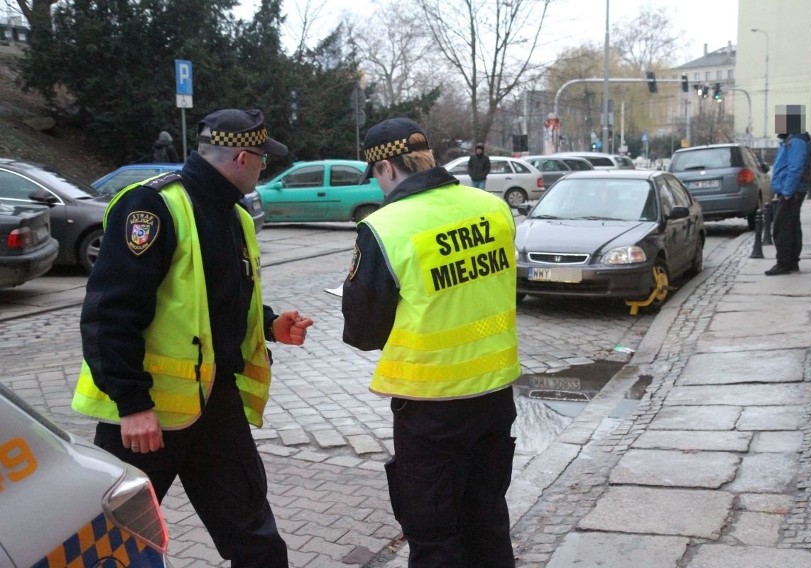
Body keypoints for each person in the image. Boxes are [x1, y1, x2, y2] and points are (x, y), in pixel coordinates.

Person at [72, 108, 313, 567]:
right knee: (115, 545)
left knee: (256, 539)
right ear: (242, 157)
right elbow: (110, 313)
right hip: (145, 421)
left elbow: (217, 302)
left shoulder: (236, 217)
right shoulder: (152, 206)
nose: (266, 167)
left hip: (213, 406)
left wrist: (268, 323)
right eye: (263, 158)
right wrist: (133, 404)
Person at [341, 117, 520, 567]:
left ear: (386, 168)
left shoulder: (385, 227)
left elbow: (362, 332)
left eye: (376, 178)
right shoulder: (492, 207)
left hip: (432, 408)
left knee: (435, 537)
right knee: (489, 521)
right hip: (495, 395)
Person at [766, 104, 810, 276]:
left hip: (791, 191)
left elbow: (795, 168)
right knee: (791, 226)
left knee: (782, 228)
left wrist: (787, 192)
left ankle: (783, 263)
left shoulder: (796, 141)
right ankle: (791, 262)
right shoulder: (791, 139)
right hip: (791, 190)